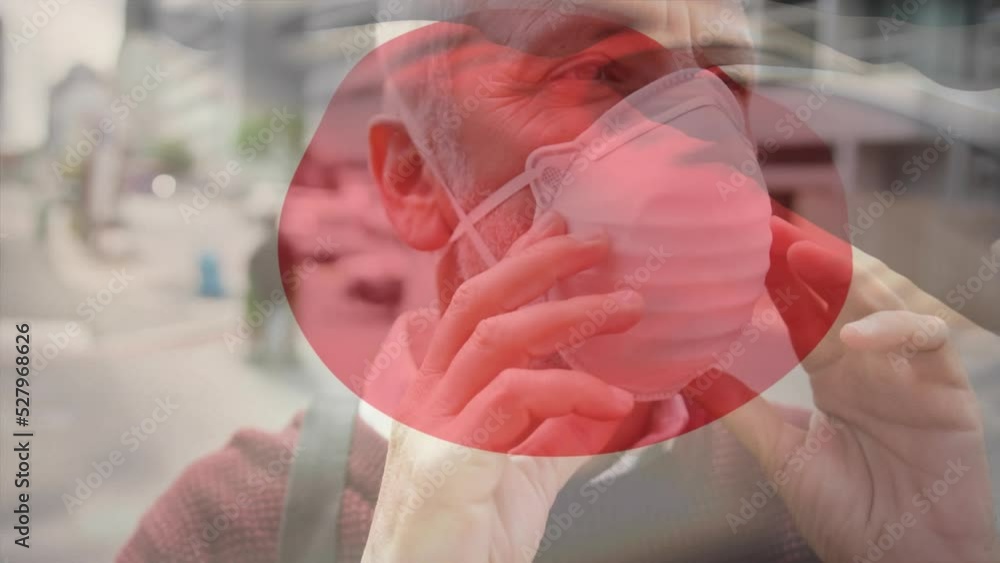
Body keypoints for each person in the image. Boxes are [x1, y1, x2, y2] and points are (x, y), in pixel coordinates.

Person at [117, 2, 997, 562]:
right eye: (602, 72)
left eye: (722, 79)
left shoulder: (829, 493)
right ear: (416, 179)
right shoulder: (225, 527)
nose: (698, 134)